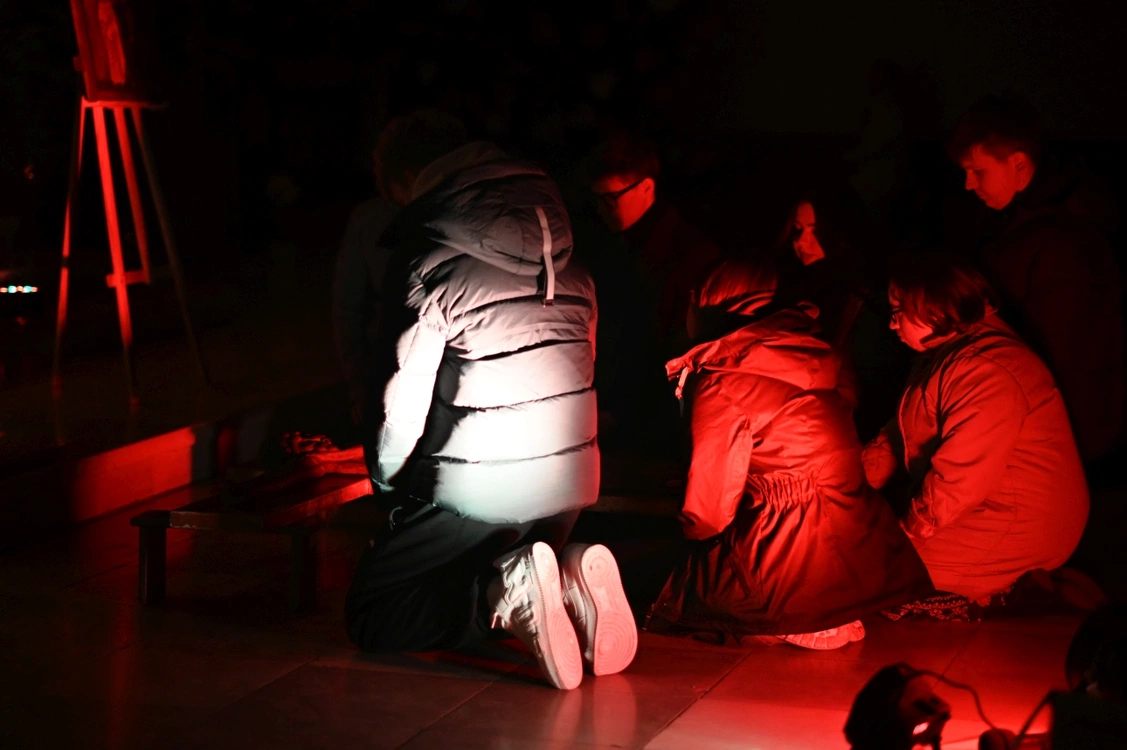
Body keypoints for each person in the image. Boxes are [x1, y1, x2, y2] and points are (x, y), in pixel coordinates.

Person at [344, 109, 636, 690]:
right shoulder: (570, 261)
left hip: (477, 493)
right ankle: (566, 584)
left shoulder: (429, 263)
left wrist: (390, 486)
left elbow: (399, 403)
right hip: (569, 490)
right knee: (501, 564)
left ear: (405, 180)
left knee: (376, 613)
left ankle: (504, 599)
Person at [646, 259, 932, 649]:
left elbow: (709, 512)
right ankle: (827, 613)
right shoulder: (814, 352)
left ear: (707, 302)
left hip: (785, 558)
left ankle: (796, 620)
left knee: (664, 586)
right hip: (859, 556)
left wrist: (684, 531)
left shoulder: (720, 378)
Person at [863, 252, 1089, 605]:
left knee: (875, 572)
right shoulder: (946, 354)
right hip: (982, 505)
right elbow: (898, 435)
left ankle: (1018, 591)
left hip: (1018, 522)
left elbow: (959, 480)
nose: (892, 326)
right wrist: (847, 484)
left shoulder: (986, 369)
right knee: (862, 554)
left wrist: (907, 535)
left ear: (931, 309)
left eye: (897, 312)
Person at [949, 95, 1123, 465]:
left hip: (1062, 436)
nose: (967, 184)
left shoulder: (1065, 244)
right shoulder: (1012, 219)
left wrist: (1053, 449)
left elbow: (1070, 359)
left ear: (1018, 163)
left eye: (978, 172)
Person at [584, 131, 722, 453]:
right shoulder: (612, 246)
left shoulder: (688, 257)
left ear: (646, 187)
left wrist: (625, 413)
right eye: (597, 199)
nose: (602, 209)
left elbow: (677, 349)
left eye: (611, 198)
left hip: (653, 420)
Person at [773, 190, 910, 441]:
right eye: (797, 229)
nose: (801, 241)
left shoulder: (863, 299)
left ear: (840, 231)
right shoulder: (789, 287)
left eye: (815, 231)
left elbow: (876, 385)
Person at [332, 189, 399, 425]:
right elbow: (348, 306)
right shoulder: (371, 219)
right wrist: (362, 387)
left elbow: (348, 306)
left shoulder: (371, 218)